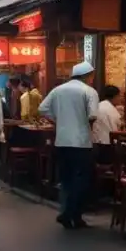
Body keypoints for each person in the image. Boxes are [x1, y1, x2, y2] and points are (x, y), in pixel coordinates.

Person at [38, 61, 99, 229]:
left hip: (62, 141)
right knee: (81, 180)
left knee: (66, 179)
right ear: (87, 76)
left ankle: (71, 215)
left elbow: (42, 109)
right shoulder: (89, 91)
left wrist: (57, 120)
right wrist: (84, 128)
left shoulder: (58, 90)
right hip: (81, 142)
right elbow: (93, 116)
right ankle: (70, 214)